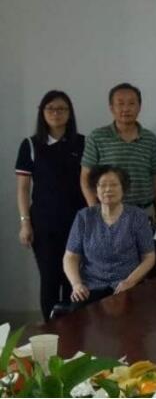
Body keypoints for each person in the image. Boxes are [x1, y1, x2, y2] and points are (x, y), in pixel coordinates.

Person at [15, 91, 87, 320]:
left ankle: (73, 330)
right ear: (42, 113)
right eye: (51, 108)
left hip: (77, 221)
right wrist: (25, 223)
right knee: (49, 278)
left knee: (73, 278)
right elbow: (23, 189)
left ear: (70, 113)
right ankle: (50, 329)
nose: (56, 113)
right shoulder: (31, 145)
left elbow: (88, 183)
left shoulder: (82, 143)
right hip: (44, 223)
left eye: (62, 109)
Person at [63, 166, 156, 308]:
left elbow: (149, 257)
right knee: (79, 316)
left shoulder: (137, 216)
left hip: (128, 286)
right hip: (91, 286)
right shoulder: (84, 217)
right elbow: (70, 256)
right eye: (102, 185)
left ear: (123, 188)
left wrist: (130, 282)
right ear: (96, 190)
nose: (108, 189)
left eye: (113, 185)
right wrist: (76, 284)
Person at [81, 83, 156, 221]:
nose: (126, 108)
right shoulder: (97, 137)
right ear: (111, 108)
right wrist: (95, 210)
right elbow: (86, 178)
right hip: (109, 213)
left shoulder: (150, 138)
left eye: (131, 103)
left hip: (145, 212)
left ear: (139, 107)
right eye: (120, 104)